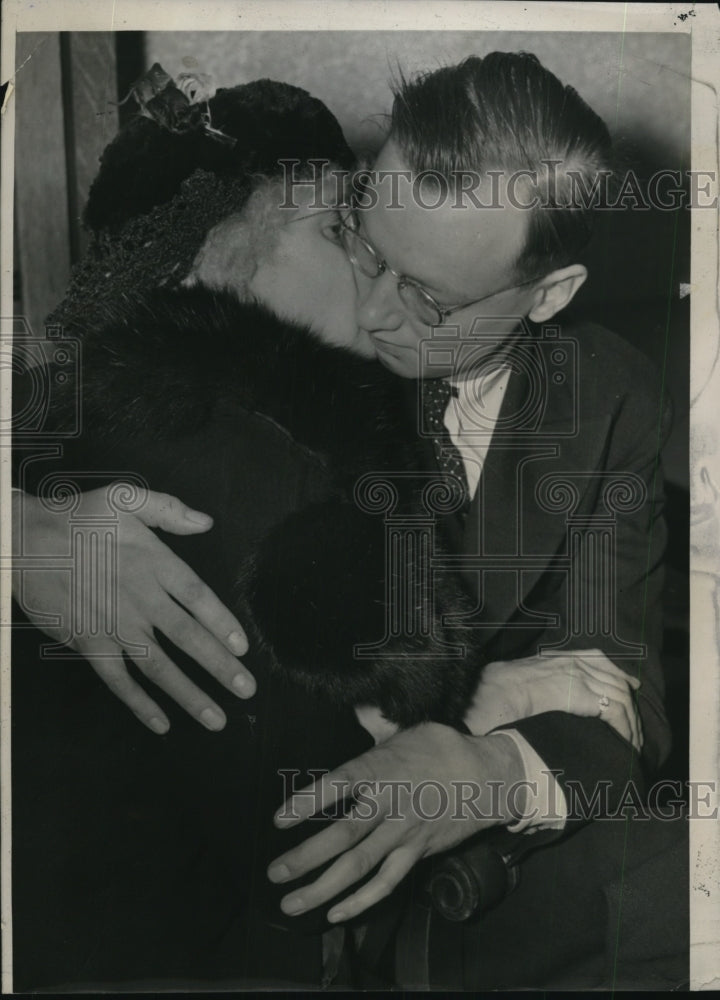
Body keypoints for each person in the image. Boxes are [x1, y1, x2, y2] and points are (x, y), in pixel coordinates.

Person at [11, 53, 685, 989]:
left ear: (551, 293)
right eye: (365, 243)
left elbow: (629, 701)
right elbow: (61, 397)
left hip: (476, 880)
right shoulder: (276, 338)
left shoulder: (610, 394)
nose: (368, 315)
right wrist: (17, 534)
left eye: (427, 299)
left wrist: (489, 772)